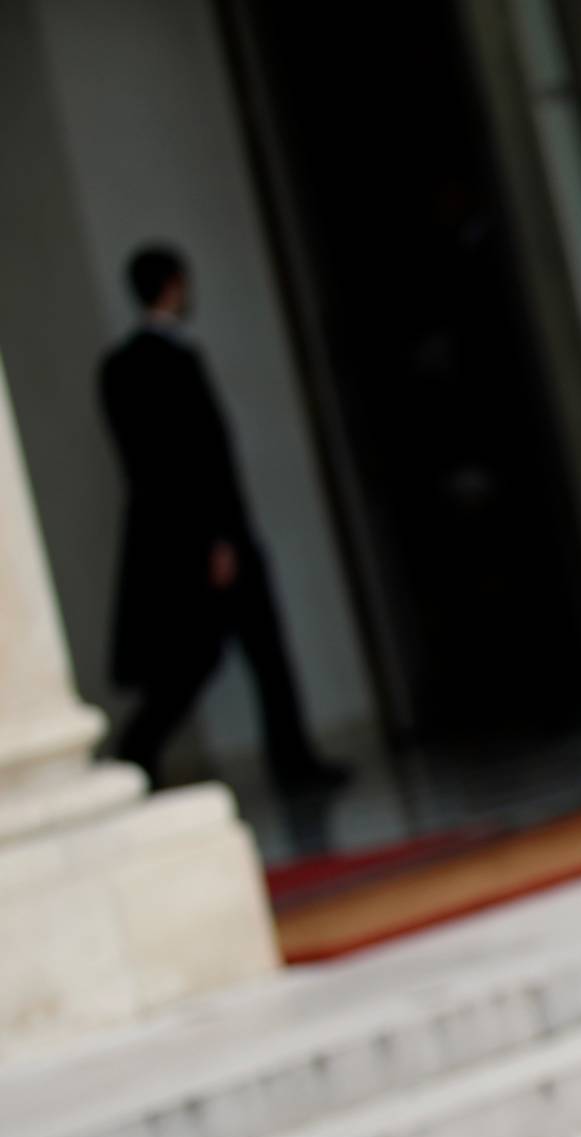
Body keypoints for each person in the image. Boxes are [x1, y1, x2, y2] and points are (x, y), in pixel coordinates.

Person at [100, 246, 348, 794]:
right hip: (210, 537)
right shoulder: (171, 362)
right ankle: (143, 755)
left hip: (175, 539)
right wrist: (216, 537)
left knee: (207, 659)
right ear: (173, 286)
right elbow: (193, 460)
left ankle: (139, 756)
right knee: (223, 655)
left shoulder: (120, 368)